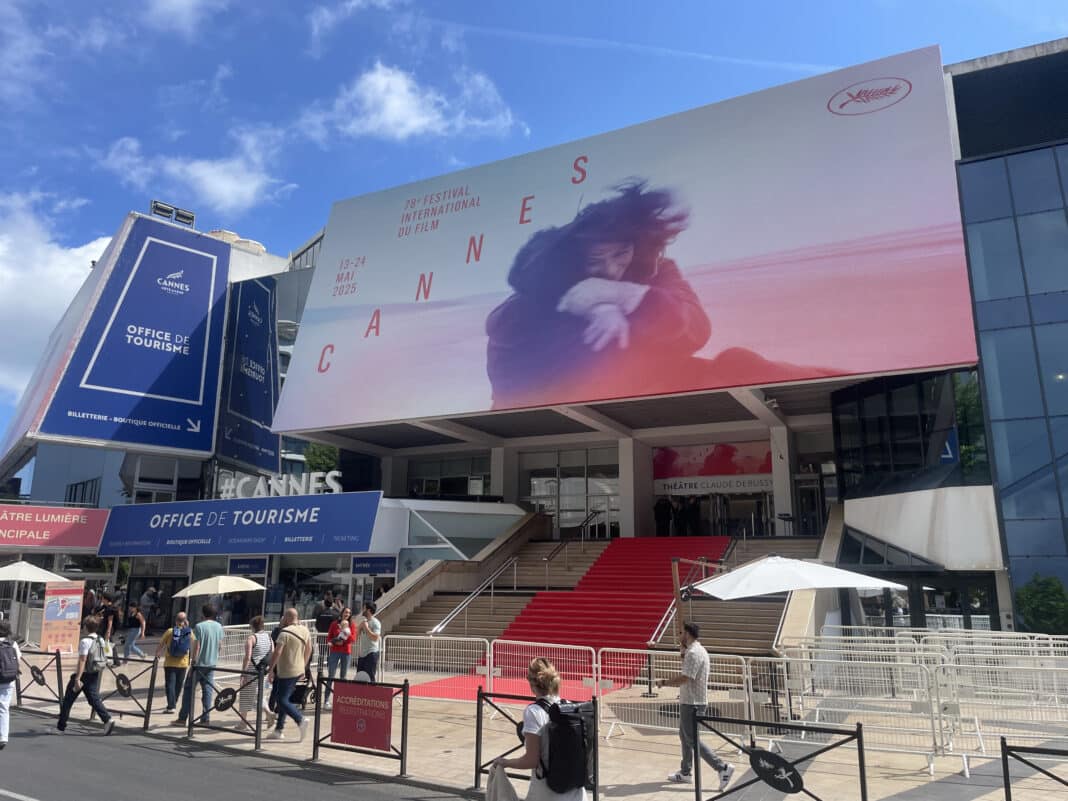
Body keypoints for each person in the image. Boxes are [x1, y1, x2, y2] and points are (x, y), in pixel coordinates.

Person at [657, 622, 734, 790]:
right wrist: (683, 653)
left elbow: (686, 677)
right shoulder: (695, 651)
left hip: (693, 702)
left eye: (681, 633)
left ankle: (722, 767)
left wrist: (664, 682)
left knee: (691, 738)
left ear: (687, 634)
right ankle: (685, 771)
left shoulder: (694, 652)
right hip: (691, 700)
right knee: (684, 736)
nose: (679, 637)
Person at [495, 658, 585, 801]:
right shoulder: (569, 706)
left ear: (532, 684)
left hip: (547, 791)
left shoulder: (533, 712)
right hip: (576, 791)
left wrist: (505, 762)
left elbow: (531, 760)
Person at [53, 617, 115, 736]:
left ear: (86, 627)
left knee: (68, 700)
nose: (82, 628)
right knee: (93, 699)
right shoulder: (100, 639)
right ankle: (107, 720)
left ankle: (60, 727)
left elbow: (82, 660)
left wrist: (77, 678)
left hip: (84, 674)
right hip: (95, 672)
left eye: (83, 626)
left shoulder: (85, 641)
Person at [174, 603, 224, 727]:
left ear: (203, 614)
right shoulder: (219, 626)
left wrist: (193, 663)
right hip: (211, 664)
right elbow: (220, 646)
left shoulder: (199, 626)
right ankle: (205, 718)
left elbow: (197, 647)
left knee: (188, 690)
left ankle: (182, 718)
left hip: (199, 664)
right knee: (207, 691)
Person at [266, 608, 312, 742]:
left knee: (281, 700)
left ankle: (300, 719)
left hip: (286, 671)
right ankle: (279, 730)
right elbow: (308, 648)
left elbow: (277, 652)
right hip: (298, 670)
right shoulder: (305, 630)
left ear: (286, 618)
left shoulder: (284, 633)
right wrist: (303, 665)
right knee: (284, 699)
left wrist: (270, 670)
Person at [238, 616, 274, 729]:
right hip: (263, 670)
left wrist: (243, 673)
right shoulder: (269, 637)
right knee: (259, 694)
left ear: (253, 626)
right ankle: (269, 714)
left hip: (252, 670)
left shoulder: (251, 638)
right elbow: (272, 653)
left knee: (245, 695)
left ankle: (244, 722)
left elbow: (247, 657)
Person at [155, 612, 194, 714]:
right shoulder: (189, 632)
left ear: (176, 620)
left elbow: (161, 644)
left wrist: (157, 654)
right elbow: (193, 644)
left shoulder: (170, 631)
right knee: (178, 685)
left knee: (170, 684)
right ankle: (174, 703)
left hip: (170, 663)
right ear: (185, 621)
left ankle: (171, 706)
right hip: (183, 663)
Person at [324, 607, 354, 709]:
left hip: (346, 652)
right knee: (331, 676)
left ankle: (341, 700)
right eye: (346, 612)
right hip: (335, 652)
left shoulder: (352, 625)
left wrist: (344, 637)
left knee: (343, 677)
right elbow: (329, 637)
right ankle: (326, 700)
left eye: (349, 613)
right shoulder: (334, 624)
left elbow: (353, 639)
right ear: (342, 613)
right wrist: (334, 641)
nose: (347, 614)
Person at [0, 619, 20, 749]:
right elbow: (18, 660)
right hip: (9, 679)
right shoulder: (13, 644)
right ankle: (3, 737)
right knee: (4, 708)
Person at [355, 602, 381, 682]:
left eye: (364, 608)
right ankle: (359, 694)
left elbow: (375, 638)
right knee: (360, 678)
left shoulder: (375, 622)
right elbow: (355, 638)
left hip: (371, 653)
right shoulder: (364, 622)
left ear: (368, 610)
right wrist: (359, 628)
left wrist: (366, 628)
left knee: (370, 678)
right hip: (362, 654)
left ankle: (371, 694)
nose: (362, 610)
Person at [93, 592, 122, 667]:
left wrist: (108, 631)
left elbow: (110, 620)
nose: (101, 600)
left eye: (102, 598)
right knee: (106, 644)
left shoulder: (110, 608)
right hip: (104, 628)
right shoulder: (105, 607)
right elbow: (97, 612)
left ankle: (115, 662)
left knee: (109, 644)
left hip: (107, 629)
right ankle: (108, 659)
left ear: (106, 599)